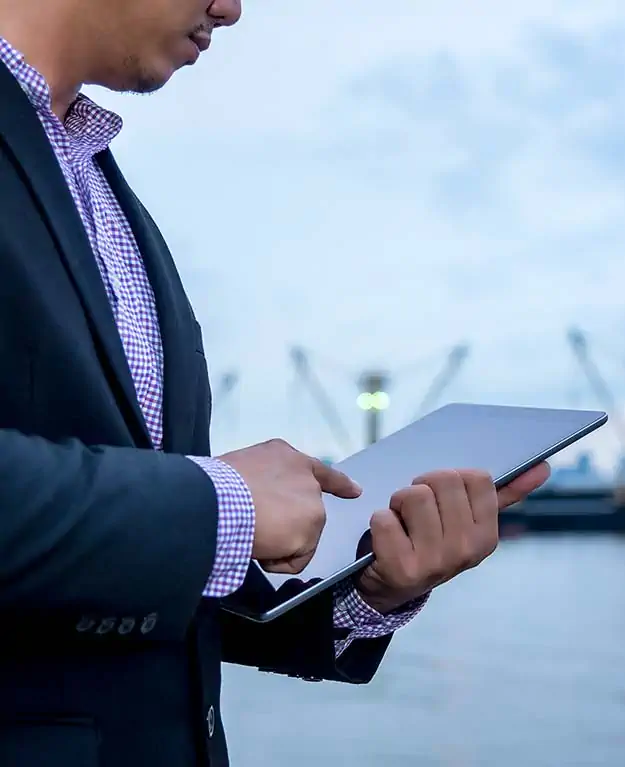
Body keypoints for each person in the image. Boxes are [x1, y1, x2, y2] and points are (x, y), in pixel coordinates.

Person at [0, 1, 549, 765]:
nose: (230, 8)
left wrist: (371, 589)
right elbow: (187, 511)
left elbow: (120, 581)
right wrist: (220, 503)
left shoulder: (99, 184)